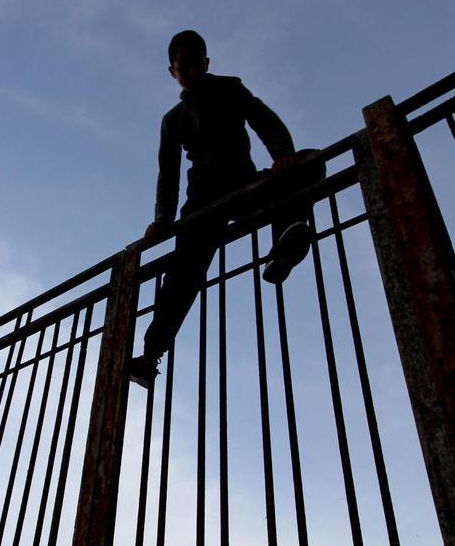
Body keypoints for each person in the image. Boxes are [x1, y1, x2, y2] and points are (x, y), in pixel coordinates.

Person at [129, 29, 324, 388]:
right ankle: (150, 355)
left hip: (245, 186)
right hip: (202, 203)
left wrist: (283, 156)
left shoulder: (231, 89)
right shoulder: (173, 121)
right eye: (181, 67)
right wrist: (162, 221)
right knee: (182, 276)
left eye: (195, 64)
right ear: (172, 72)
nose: (189, 72)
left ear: (206, 63)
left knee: (310, 161)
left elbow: (265, 120)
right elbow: (167, 175)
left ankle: (286, 240)